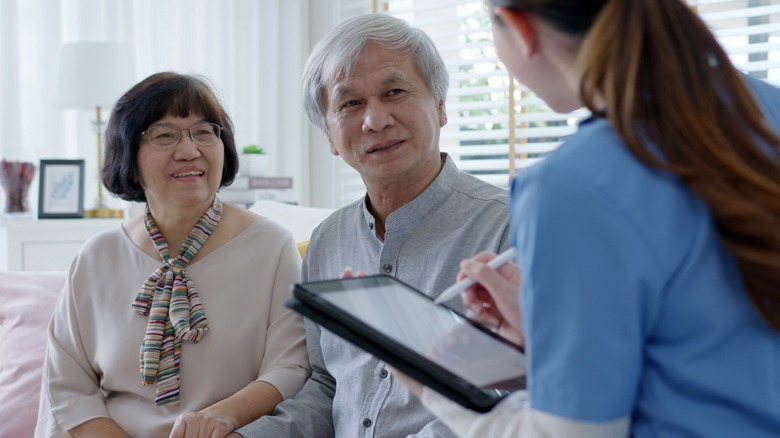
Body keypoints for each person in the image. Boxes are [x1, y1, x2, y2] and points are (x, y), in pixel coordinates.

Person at [392, 0, 780, 437]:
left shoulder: (571, 185)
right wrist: (560, 336)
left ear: (521, 28)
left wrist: (436, 384)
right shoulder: (764, 107)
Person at [235, 14, 511, 438]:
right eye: (350, 104)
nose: (375, 120)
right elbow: (328, 386)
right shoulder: (328, 239)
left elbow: (516, 398)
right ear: (328, 134)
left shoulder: (510, 228)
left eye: (394, 91)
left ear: (440, 106)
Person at [35, 72, 311, 438]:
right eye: (164, 135)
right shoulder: (97, 256)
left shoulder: (272, 246)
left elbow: (289, 367)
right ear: (129, 159)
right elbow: (66, 387)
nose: (189, 150)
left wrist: (221, 418)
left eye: (204, 132)